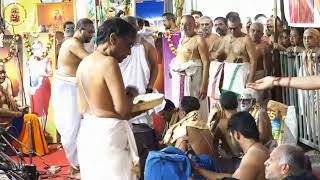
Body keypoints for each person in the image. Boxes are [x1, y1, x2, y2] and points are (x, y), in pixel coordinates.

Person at [76, 18, 138, 180]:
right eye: (129, 45)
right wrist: (131, 94)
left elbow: (82, 109)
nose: (129, 52)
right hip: (110, 139)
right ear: (113, 39)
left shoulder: (84, 63)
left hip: (88, 134)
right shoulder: (109, 63)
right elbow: (122, 110)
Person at [52, 18, 94, 173]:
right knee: (70, 127)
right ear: (81, 29)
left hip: (73, 86)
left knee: (79, 126)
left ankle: (78, 163)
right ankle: (75, 166)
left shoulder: (77, 43)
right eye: (89, 32)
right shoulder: (72, 43)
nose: (91, 35)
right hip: (66, 88)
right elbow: (90, 60)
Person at [194, 112, 270, 180]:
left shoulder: (253, 156)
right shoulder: (259, 149)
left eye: (230, 137)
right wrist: (198, 170)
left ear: (237, 135)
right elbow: (233, 177)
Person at [0, 65, 48, 156]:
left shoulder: (1, 88)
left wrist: (20, 109)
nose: (2, 75)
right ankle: (26, 149)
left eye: (4, 73)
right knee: (31, 118)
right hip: (4, 121)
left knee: (32, 116)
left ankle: (31, 149)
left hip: (9, 117)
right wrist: (16, 114)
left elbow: (7, 105)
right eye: (0, 73)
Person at [120, 16, 158, 125]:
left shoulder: (147, 46)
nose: (131, 30)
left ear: (138, 28)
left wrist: (150, 87)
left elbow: (155, 67)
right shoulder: (116, 47)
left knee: (142, 126)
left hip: (141, 92)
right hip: (122, 92)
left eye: (133, 26)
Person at [170, 15, 209, 120]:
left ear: (194, 25)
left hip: (193, 80)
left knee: (194, 105)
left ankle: (196, 130)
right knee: (180, 106)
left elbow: (206, 62)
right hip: (180, 78)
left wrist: (204, 85)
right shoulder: (182, 39)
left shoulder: (199, 39)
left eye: (188, 24)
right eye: (182, 24)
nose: (185, 27)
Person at [213, 14, 256, 96]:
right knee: (227, 101)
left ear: (240, 26)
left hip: (242, 74)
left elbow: (254, 60)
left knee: (241, 102)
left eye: (235, 28)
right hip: (228, 74)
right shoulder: (226, 39)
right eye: (230, 28)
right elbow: (217, 55)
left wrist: (250, 80)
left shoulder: (246, 40)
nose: (232, 31)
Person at [208, 91, 242, 173]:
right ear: (237, 104)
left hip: (228, 161)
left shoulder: (222, 123)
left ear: (222, 106)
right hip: (244, 159)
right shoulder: (245, 118)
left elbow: (213, 141)